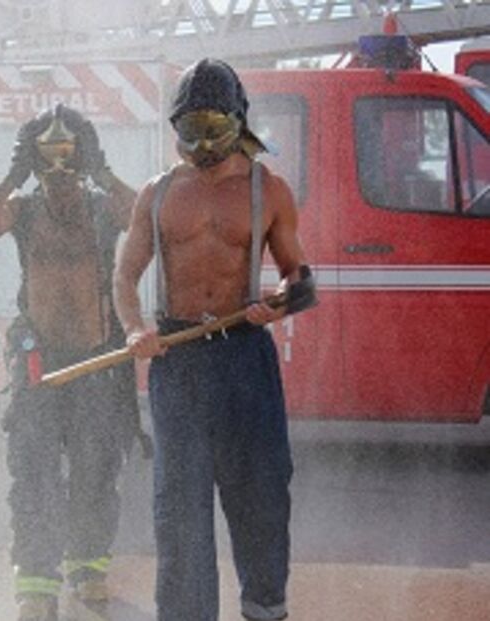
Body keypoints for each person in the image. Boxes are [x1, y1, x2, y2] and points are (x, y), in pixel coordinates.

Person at [113, 59, 317, 621]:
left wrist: (276, 304)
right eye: (191, 129)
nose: (202, 143)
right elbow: (125, 275)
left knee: (262, 496)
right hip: (178, 360)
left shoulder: (268, 190)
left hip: (243, 358)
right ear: (176, 129)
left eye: (214, 127)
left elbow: (298, 275)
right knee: (178, 511)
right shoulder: (156, 194)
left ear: (238, 122)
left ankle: (264, 609)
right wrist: (135, 329)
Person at [0, 103, 141, 621]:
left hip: (96, 360)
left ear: (82, 158)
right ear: (34, 164)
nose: (59, 171)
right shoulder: (23, 210)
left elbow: (144, 216)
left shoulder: (103, 207)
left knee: (95, 468)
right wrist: (13, 174)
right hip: (38, 358)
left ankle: (88, 567)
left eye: (70, 156)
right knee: (34, 470)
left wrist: (102, 167)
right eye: (48, 159)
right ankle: (36, 582)